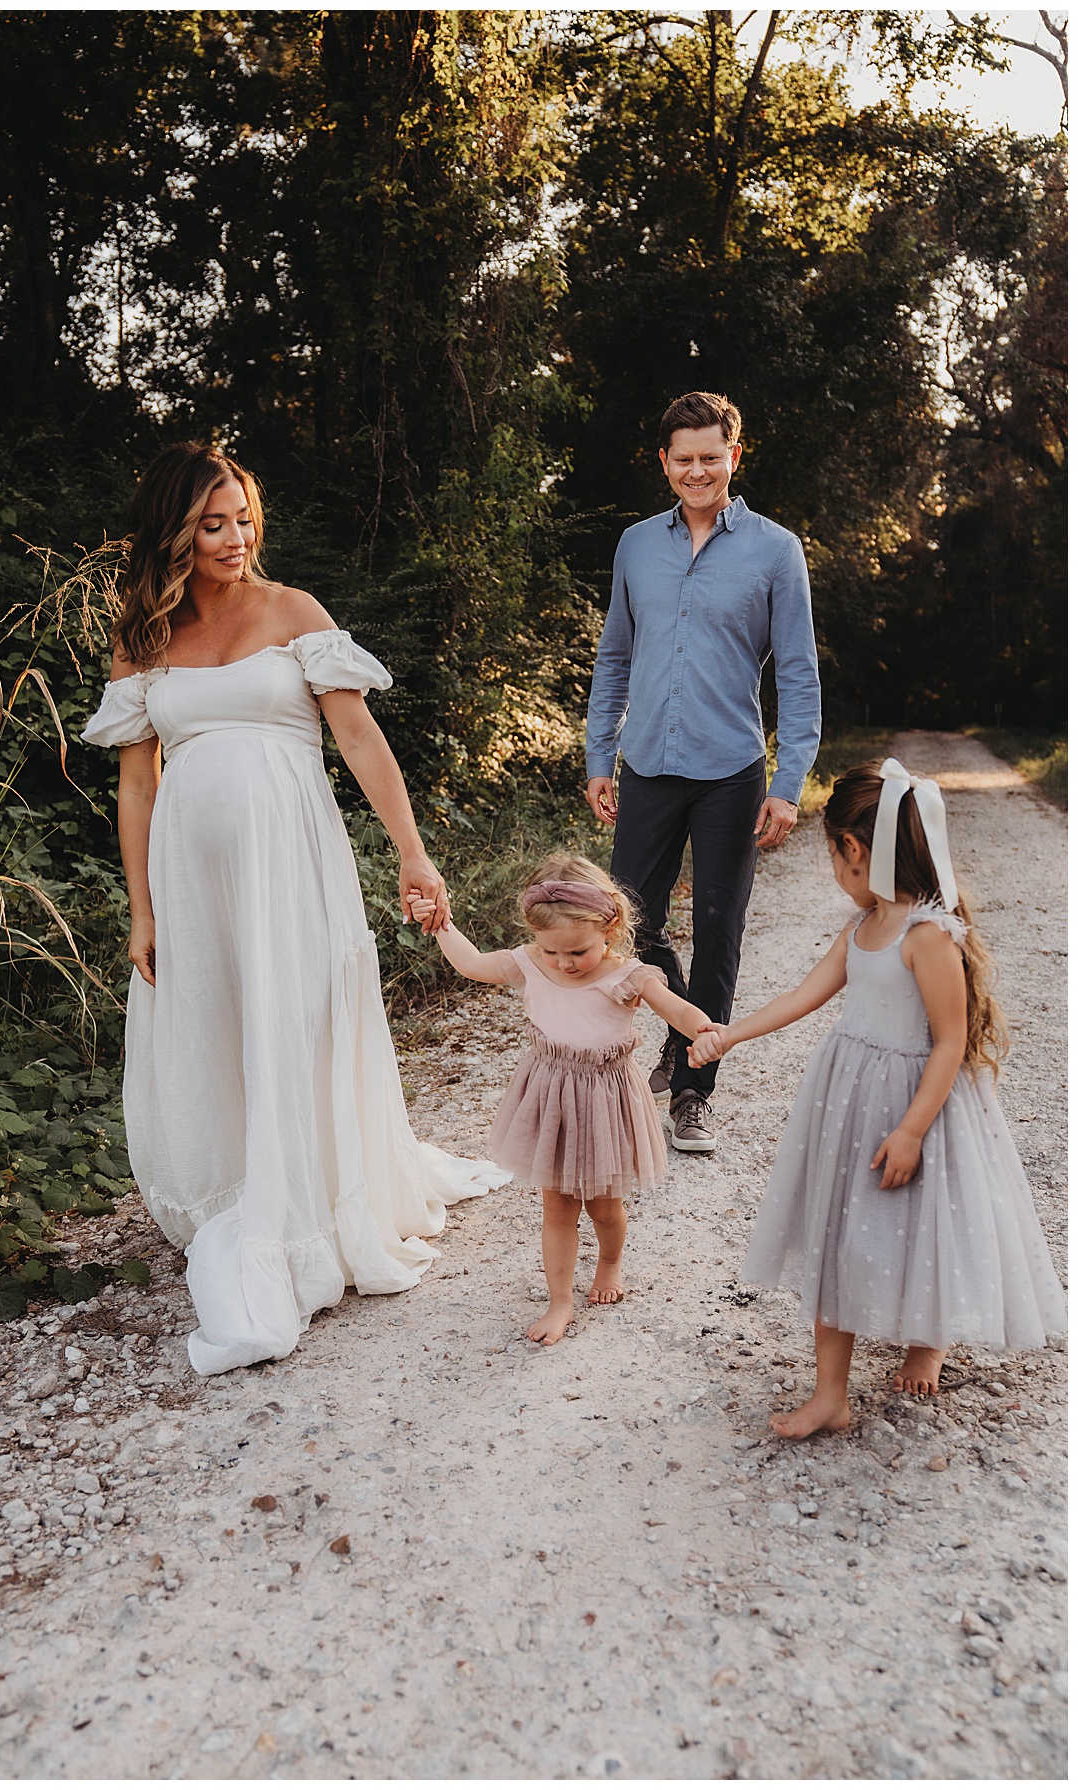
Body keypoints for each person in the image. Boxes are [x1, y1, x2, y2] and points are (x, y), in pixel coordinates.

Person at [80, 442, 508, 1375]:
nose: (235, 539)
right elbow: (137, 787)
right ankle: (245, 1182)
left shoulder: (295, 613)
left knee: (301, 1012)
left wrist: (412, 851)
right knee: (219, 1023)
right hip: (193, 873)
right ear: (174, 532)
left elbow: (359, 740)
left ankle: (316, 1195)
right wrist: (140, 905)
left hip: (294, 857)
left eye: (242, 518)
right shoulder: (143, 637)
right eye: (211, 524)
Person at [689, 758, 1067, 1437]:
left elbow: (951, 1043)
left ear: (855, 850)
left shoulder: (929, 937)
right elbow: (803, 996)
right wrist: (729, 1036)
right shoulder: (861, 929)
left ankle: (929, 1337)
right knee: (837, 1235)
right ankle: (830, 1394)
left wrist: (914, 1130)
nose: (837, 872)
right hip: (849, 1104)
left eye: (834, 855)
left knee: (923, 1230)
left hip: (917, 1106)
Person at [586, 390, 821, 1155]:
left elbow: (799, 671)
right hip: (647, 762)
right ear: (664, 462)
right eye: (682, 459)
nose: (697, 471)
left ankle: (694, 1090)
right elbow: (615, 656)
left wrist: (789, 784)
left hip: (731, 770)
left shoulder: (775, 550)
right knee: (628, 923)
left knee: (721, 927)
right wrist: (599, 754)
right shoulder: (634, 547)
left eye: (710, 458)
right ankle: (686, 1025)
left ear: (734, 457)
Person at [411, 853, 716, 1346]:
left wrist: (702, 1031)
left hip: (604, 1101)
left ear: (610, 926)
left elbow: (678, 1009)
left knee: (603, 1205)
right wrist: (440, 921)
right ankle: (560, 1301)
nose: (563, 964)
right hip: (550, 1096)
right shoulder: (528, 963)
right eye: (552, 952)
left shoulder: (630, 975)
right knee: (556, 1206)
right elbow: (469, 964)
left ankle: (611, 1263)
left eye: (577, 952)